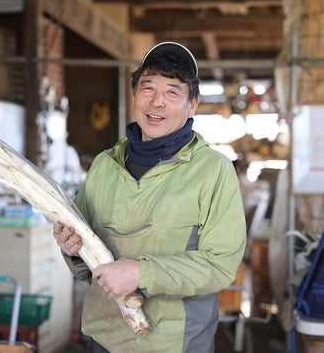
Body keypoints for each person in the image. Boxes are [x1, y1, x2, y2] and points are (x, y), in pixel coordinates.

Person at [53, 41, 247, 353]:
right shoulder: (105, 165)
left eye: (173, 92)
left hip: (175, 342)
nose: (157, 102)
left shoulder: (213, 171)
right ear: (134, 96)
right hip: (105, 337)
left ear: (192, 105)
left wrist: (140, 273)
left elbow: (220, 265)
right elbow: (86, 261)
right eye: (148, 88)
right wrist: (72, 248)